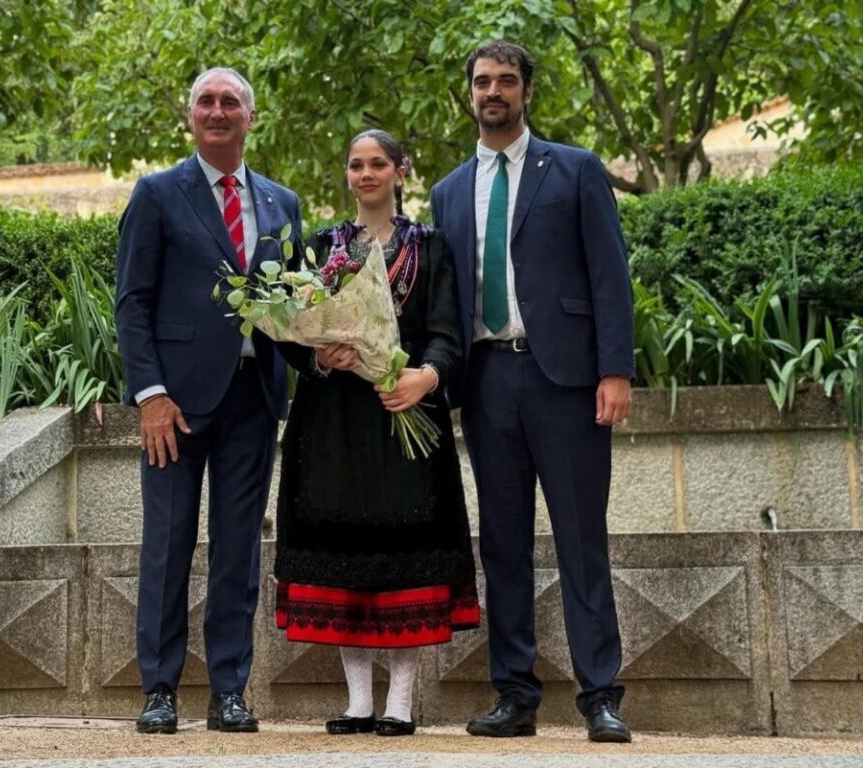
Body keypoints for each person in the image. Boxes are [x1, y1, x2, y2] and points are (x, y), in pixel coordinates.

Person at [430, 41, 634, 743]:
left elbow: (610, 275)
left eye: (506, 81)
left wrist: (615, 370)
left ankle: (601, 695)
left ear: (526, 92)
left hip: (567, 382)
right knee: (504, 545)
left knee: (582, 539)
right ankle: (514, 695)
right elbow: (444, 297)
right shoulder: (449, 190)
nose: (494, 91)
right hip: (486, 382)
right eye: (483, 81)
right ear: (470, 93)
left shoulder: (573, 170)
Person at [273, 129, 480, 737]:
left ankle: (401, 703)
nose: (366, 174)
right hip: (333, 426)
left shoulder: (433, 248)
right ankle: (358, 700)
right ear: (347, 175)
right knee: (342, 555)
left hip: (402, 414)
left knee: (405, 556)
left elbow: (447, 330)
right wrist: (320, 356)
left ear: (399, 170)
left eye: (378, 164)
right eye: (356, 165)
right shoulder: (320, 248)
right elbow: (287, 332)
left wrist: (426, 376)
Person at [115, 67, 302, 734]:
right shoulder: (158, 194)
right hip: (176, 405)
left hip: (253, 399)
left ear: (251, 117)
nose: (217, 111)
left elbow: (294, 308)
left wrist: (336, 349)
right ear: (191, 116)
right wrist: (152, 395)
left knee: (237, 550)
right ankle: (159, 688)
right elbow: (132, 304)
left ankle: (229, 689)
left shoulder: (284, 204)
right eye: (206, 101)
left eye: (230, 102)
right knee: (166, 545)